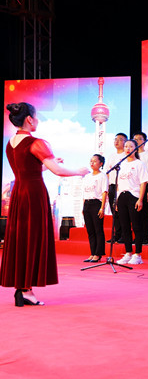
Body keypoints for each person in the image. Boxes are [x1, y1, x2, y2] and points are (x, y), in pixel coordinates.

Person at [1, 102, 88, 307]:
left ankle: (22, 289)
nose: (38, 120)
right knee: (33, 239)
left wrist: (49, 165)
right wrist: (78, 171)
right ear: (29, 119)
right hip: (34, 194)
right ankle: (26, 290)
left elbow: (29, 169)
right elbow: (58, 171)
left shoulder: (10, 143)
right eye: (36, 116)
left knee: (21, 240)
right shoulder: (37, 143)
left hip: (19, 193)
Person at [116, 140, 148, 265]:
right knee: (125, 226)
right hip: (122, 196)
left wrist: (140, 199)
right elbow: (119, 184)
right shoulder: (121, 164)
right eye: (126, 146)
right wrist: (117, 200)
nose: (127, 148)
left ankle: (138, 254)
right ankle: (128, 252)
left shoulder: (139, 164)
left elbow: (143, 183)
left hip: (134, 196)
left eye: (131, 146)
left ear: (136, 149)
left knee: (136, 226)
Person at [82, 154, 109, 263]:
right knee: (90, 230)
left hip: (97, 203)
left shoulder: (102, 176)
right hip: (87, 204)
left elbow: (104, 192)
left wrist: (102, 208)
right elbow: (84, 193)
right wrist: (83, 207)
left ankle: (98, 253)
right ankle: (92, 253)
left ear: (100, 163)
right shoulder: (87, 177)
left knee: (98, 229)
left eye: (94, 161)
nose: (92, 163)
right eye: (91, 161)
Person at [106, 132, 127, 243]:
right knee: (115, 212)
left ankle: (124, 235)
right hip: (112, 186)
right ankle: (117, 234)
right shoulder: (111, 156)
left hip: (122, 187)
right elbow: (107, 172)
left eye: (120, 139)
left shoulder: (126, 155)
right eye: (115, 139)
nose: (117, 141)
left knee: (122, 212)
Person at [133, 132, 148, 245]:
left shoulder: (147, 156)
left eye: (139, 139)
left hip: (144, 186)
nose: (137, 141)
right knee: (135, 214)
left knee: (144, 212)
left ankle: (146, 236)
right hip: (133, 188)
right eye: (135, 139)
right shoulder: (132, 156)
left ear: (144, 141)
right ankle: (138, 237)